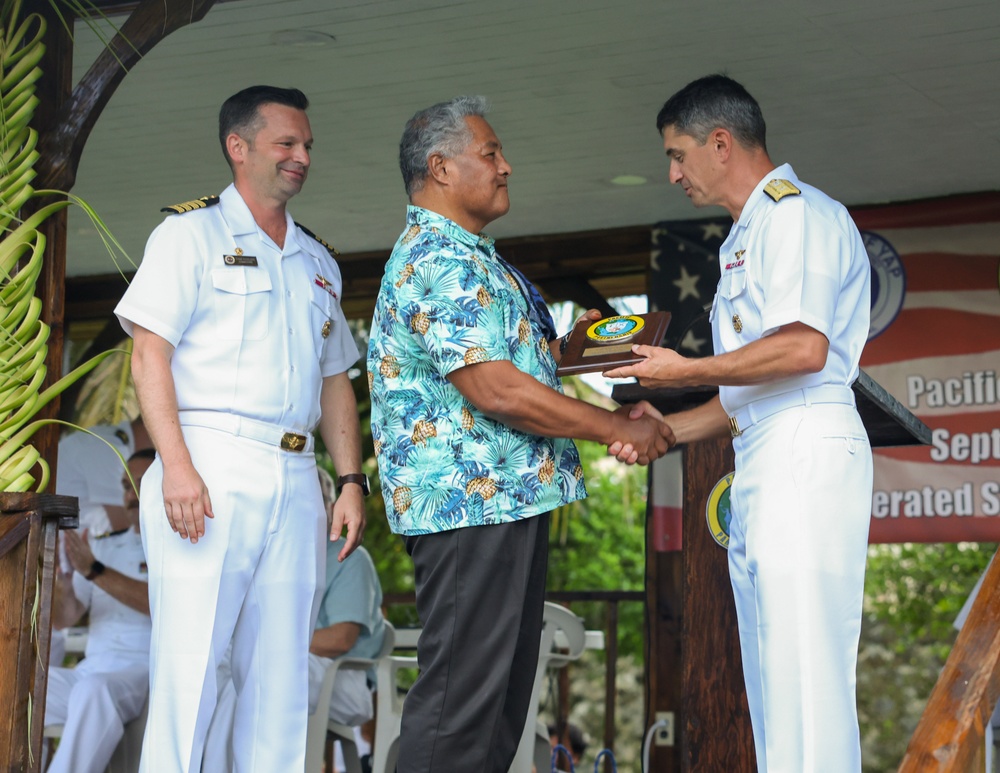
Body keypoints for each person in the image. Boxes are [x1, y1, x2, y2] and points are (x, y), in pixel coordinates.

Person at [367, 95, 673, 773]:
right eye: (490, 153)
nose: (507, 166)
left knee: (498, 707)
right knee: (459, 709)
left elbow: (514, 366)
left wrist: (589, 352)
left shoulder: (474, 256)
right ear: (441, 169)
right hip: (469, 506)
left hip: (505, 501)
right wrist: (611, 426)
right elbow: (496, 389)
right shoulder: (436, 258)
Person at [606, 74, 874, 772]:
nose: (672, 173)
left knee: (806, 678)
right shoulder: (747, 233)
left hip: (805, 443)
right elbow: (740, 395)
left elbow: (802, 348)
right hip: (765, 446)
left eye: (678, 154)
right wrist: (664, 430)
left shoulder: (794, 215)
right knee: (772, 674)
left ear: (719, 143)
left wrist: (678, 370)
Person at [113, 85, 366, 772]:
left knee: (282, 679)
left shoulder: (318, 261)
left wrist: (349, 480)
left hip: (295, 474)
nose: (301, 156)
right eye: (286, 143)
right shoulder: (188, 235)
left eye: (307, 144)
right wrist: (178, 465)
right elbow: (148, 352)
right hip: (208, 461)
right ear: (239, 147)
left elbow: (335, 377)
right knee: (190, 666)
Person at [201, 468, 385, 772]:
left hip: (344, 678)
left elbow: (340, 639)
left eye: (320, 499)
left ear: (330, 507)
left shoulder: (346, 554)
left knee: (248, 672)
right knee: (216, 668)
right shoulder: (275, 556)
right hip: (291, 667)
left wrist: (266, 641)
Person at [45, 448, 157, 773]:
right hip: (90, 672)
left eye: (140, 483)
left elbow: (157, 604)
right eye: (125, 485)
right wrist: (63, 584)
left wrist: (94, 570)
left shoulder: (177, 548)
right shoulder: (103, 545)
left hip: (140, 673)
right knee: (18, 683)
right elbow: (66, 618)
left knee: (94, 691)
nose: (130, 495)